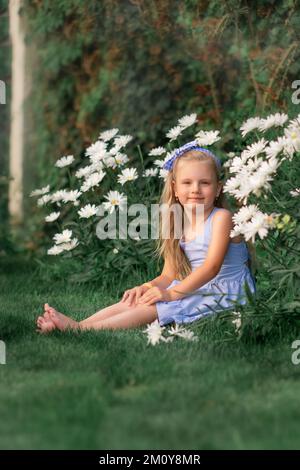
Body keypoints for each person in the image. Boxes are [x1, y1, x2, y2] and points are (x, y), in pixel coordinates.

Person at [36, 141, 256, 334]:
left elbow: (211, 267)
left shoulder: (222, 218)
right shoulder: (179, 221)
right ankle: (78, 324)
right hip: (198, 286)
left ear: (218, 189)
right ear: (175, 189)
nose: (195, 189)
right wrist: (147, 286)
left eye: (204, 183)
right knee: (139, 299)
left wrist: (171, 294)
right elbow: (169, 274)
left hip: (227, 292)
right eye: (187, 183)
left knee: (157, 306)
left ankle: (79, 330)